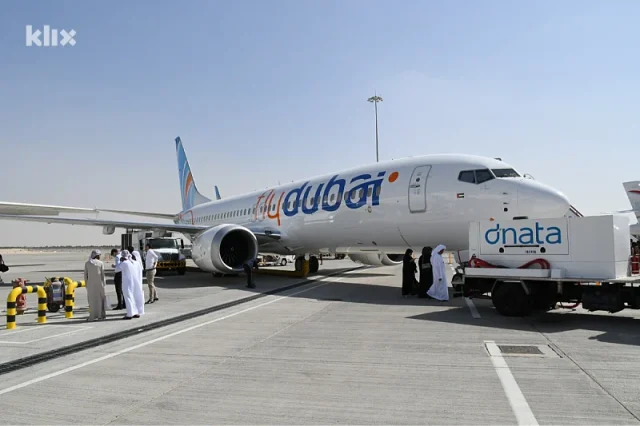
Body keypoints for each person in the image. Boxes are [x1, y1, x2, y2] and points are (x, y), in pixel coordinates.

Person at [116, 250, 141, 320]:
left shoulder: (124, 263)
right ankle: (135, 312)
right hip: (132, 282)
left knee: (128, 298)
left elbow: (117, 269)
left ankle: (129, 314)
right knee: (132, 297)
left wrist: (120, 262)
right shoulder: (131, 262)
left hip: (126, 283)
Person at [84, 249, 107, 321]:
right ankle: (100, 315)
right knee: (100, 300)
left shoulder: (87, 263)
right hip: (100, 284)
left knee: (92, 301)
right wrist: (104, 284)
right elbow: (103, 275)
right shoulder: (100, 263)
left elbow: (85, 275)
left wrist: (87, 285)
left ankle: (92, 316)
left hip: (90, 285)